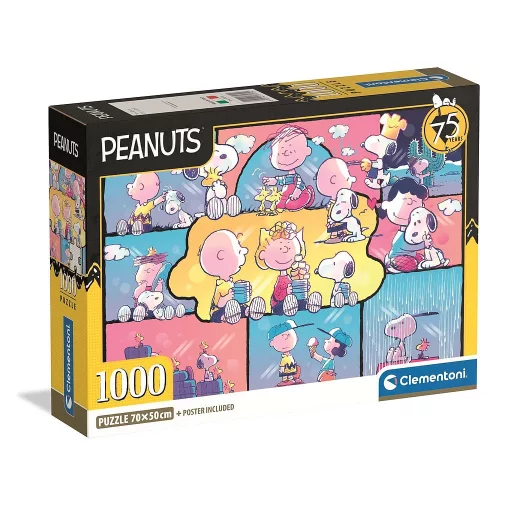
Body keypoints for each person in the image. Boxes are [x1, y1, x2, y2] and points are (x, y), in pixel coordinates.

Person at [262, 124, 315, 211]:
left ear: (306, 151)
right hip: (287, 195)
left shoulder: (296, 177)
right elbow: (284, 179)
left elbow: (300, 184)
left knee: (291, 205)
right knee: (278, 205)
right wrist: (273, 180)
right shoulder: (289, 177)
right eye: (278, 154)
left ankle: (308, 197)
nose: (285, 156)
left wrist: (296, 193)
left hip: (300, 194)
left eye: (291, 152)